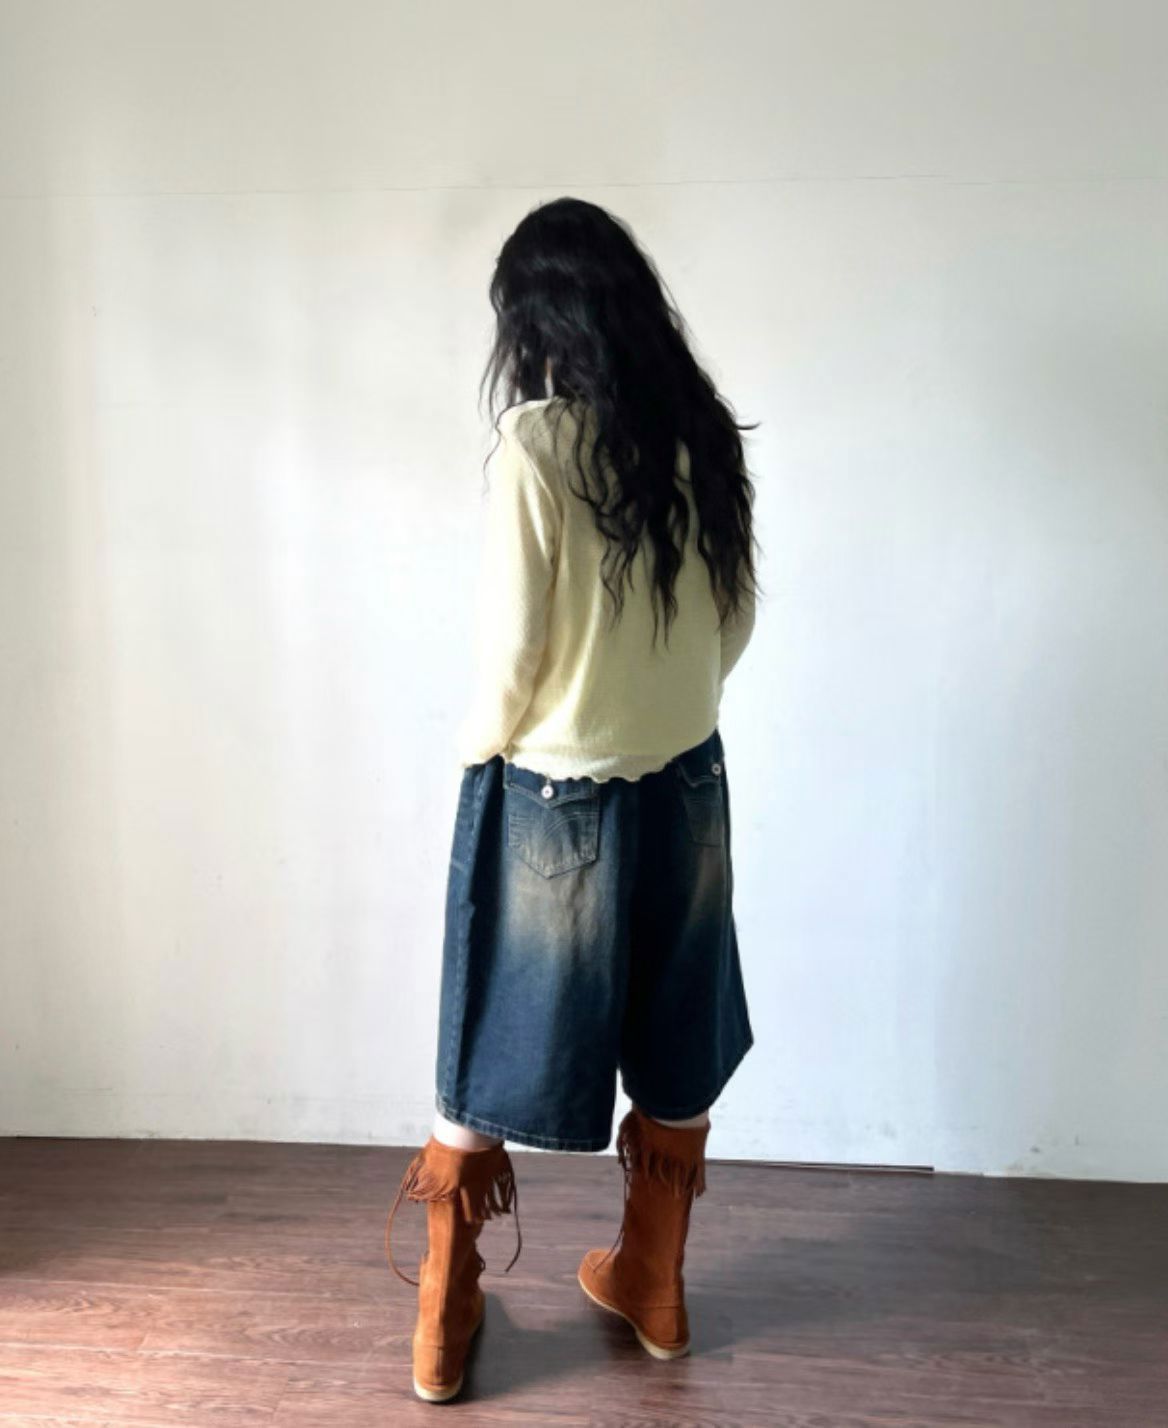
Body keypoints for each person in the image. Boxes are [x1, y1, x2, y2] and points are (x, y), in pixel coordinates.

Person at [385, 196, 761, 1403]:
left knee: (486, 1028)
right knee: (676, 1026)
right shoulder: (700, 433)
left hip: (553, 786)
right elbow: (736, 617)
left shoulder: (536, 447)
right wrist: (668, 701)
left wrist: (477, 749)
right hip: (687, 776)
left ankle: (445, 1317)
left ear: (536, 321)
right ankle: (654, 1287)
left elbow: (516, 650)